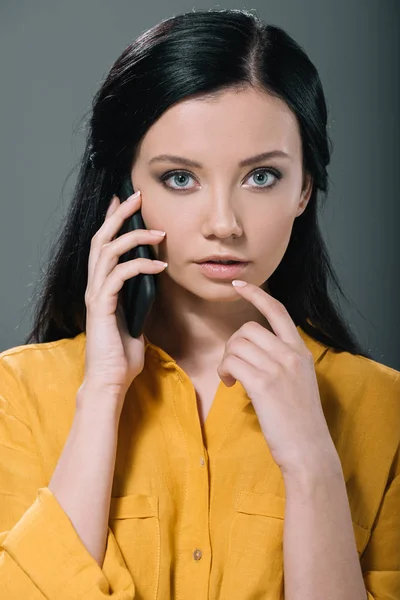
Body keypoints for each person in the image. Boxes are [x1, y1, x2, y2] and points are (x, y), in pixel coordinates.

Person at [0, 8, 398, 600]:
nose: (223, 224)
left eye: (261, 176)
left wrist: (313, 462)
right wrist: (102, 395)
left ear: (305, 189)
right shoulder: (19, 393)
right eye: (180, 178)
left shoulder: (382, 408)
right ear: (124, 190)